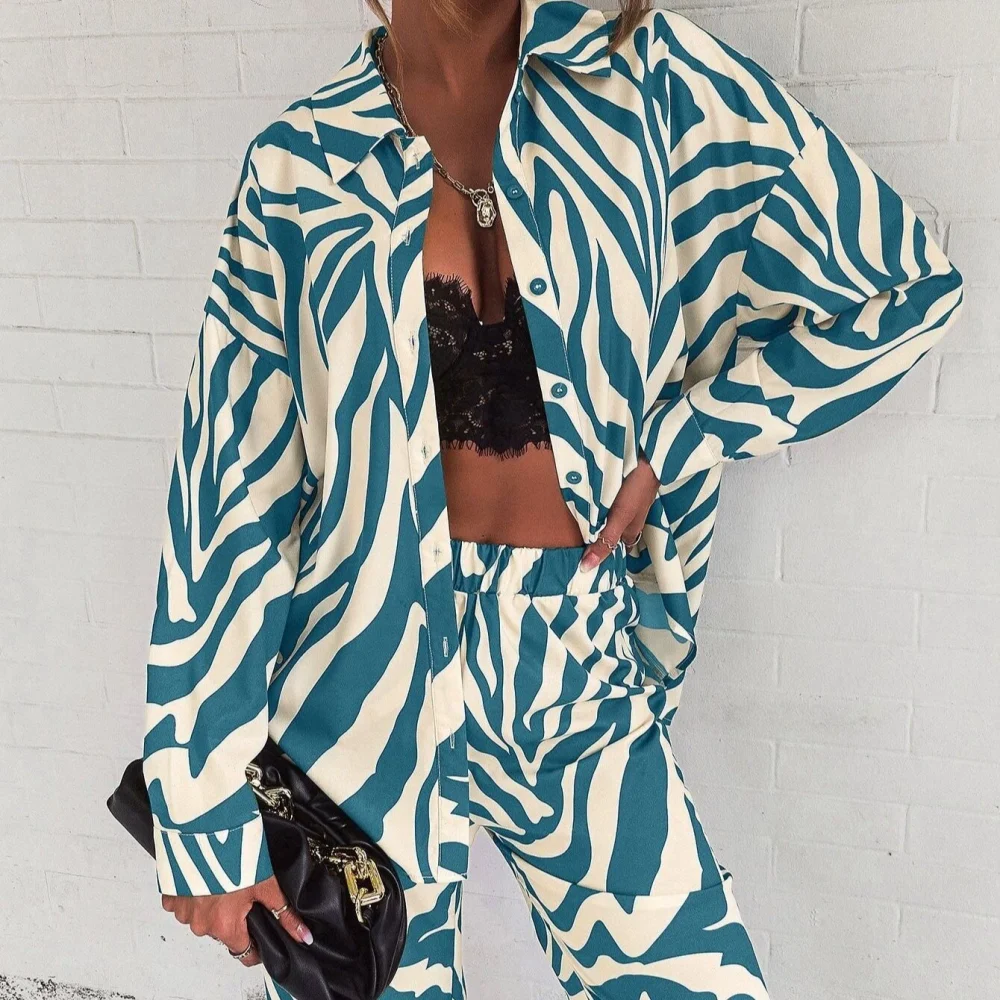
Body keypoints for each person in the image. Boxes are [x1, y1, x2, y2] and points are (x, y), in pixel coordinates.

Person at [139, 1, 964, 997]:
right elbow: (230, 492)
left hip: (571, 651)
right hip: (354, 676)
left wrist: (685, 436)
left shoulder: (653, 85)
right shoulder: (299, 163)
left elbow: (902, 292)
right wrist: (199, 812)